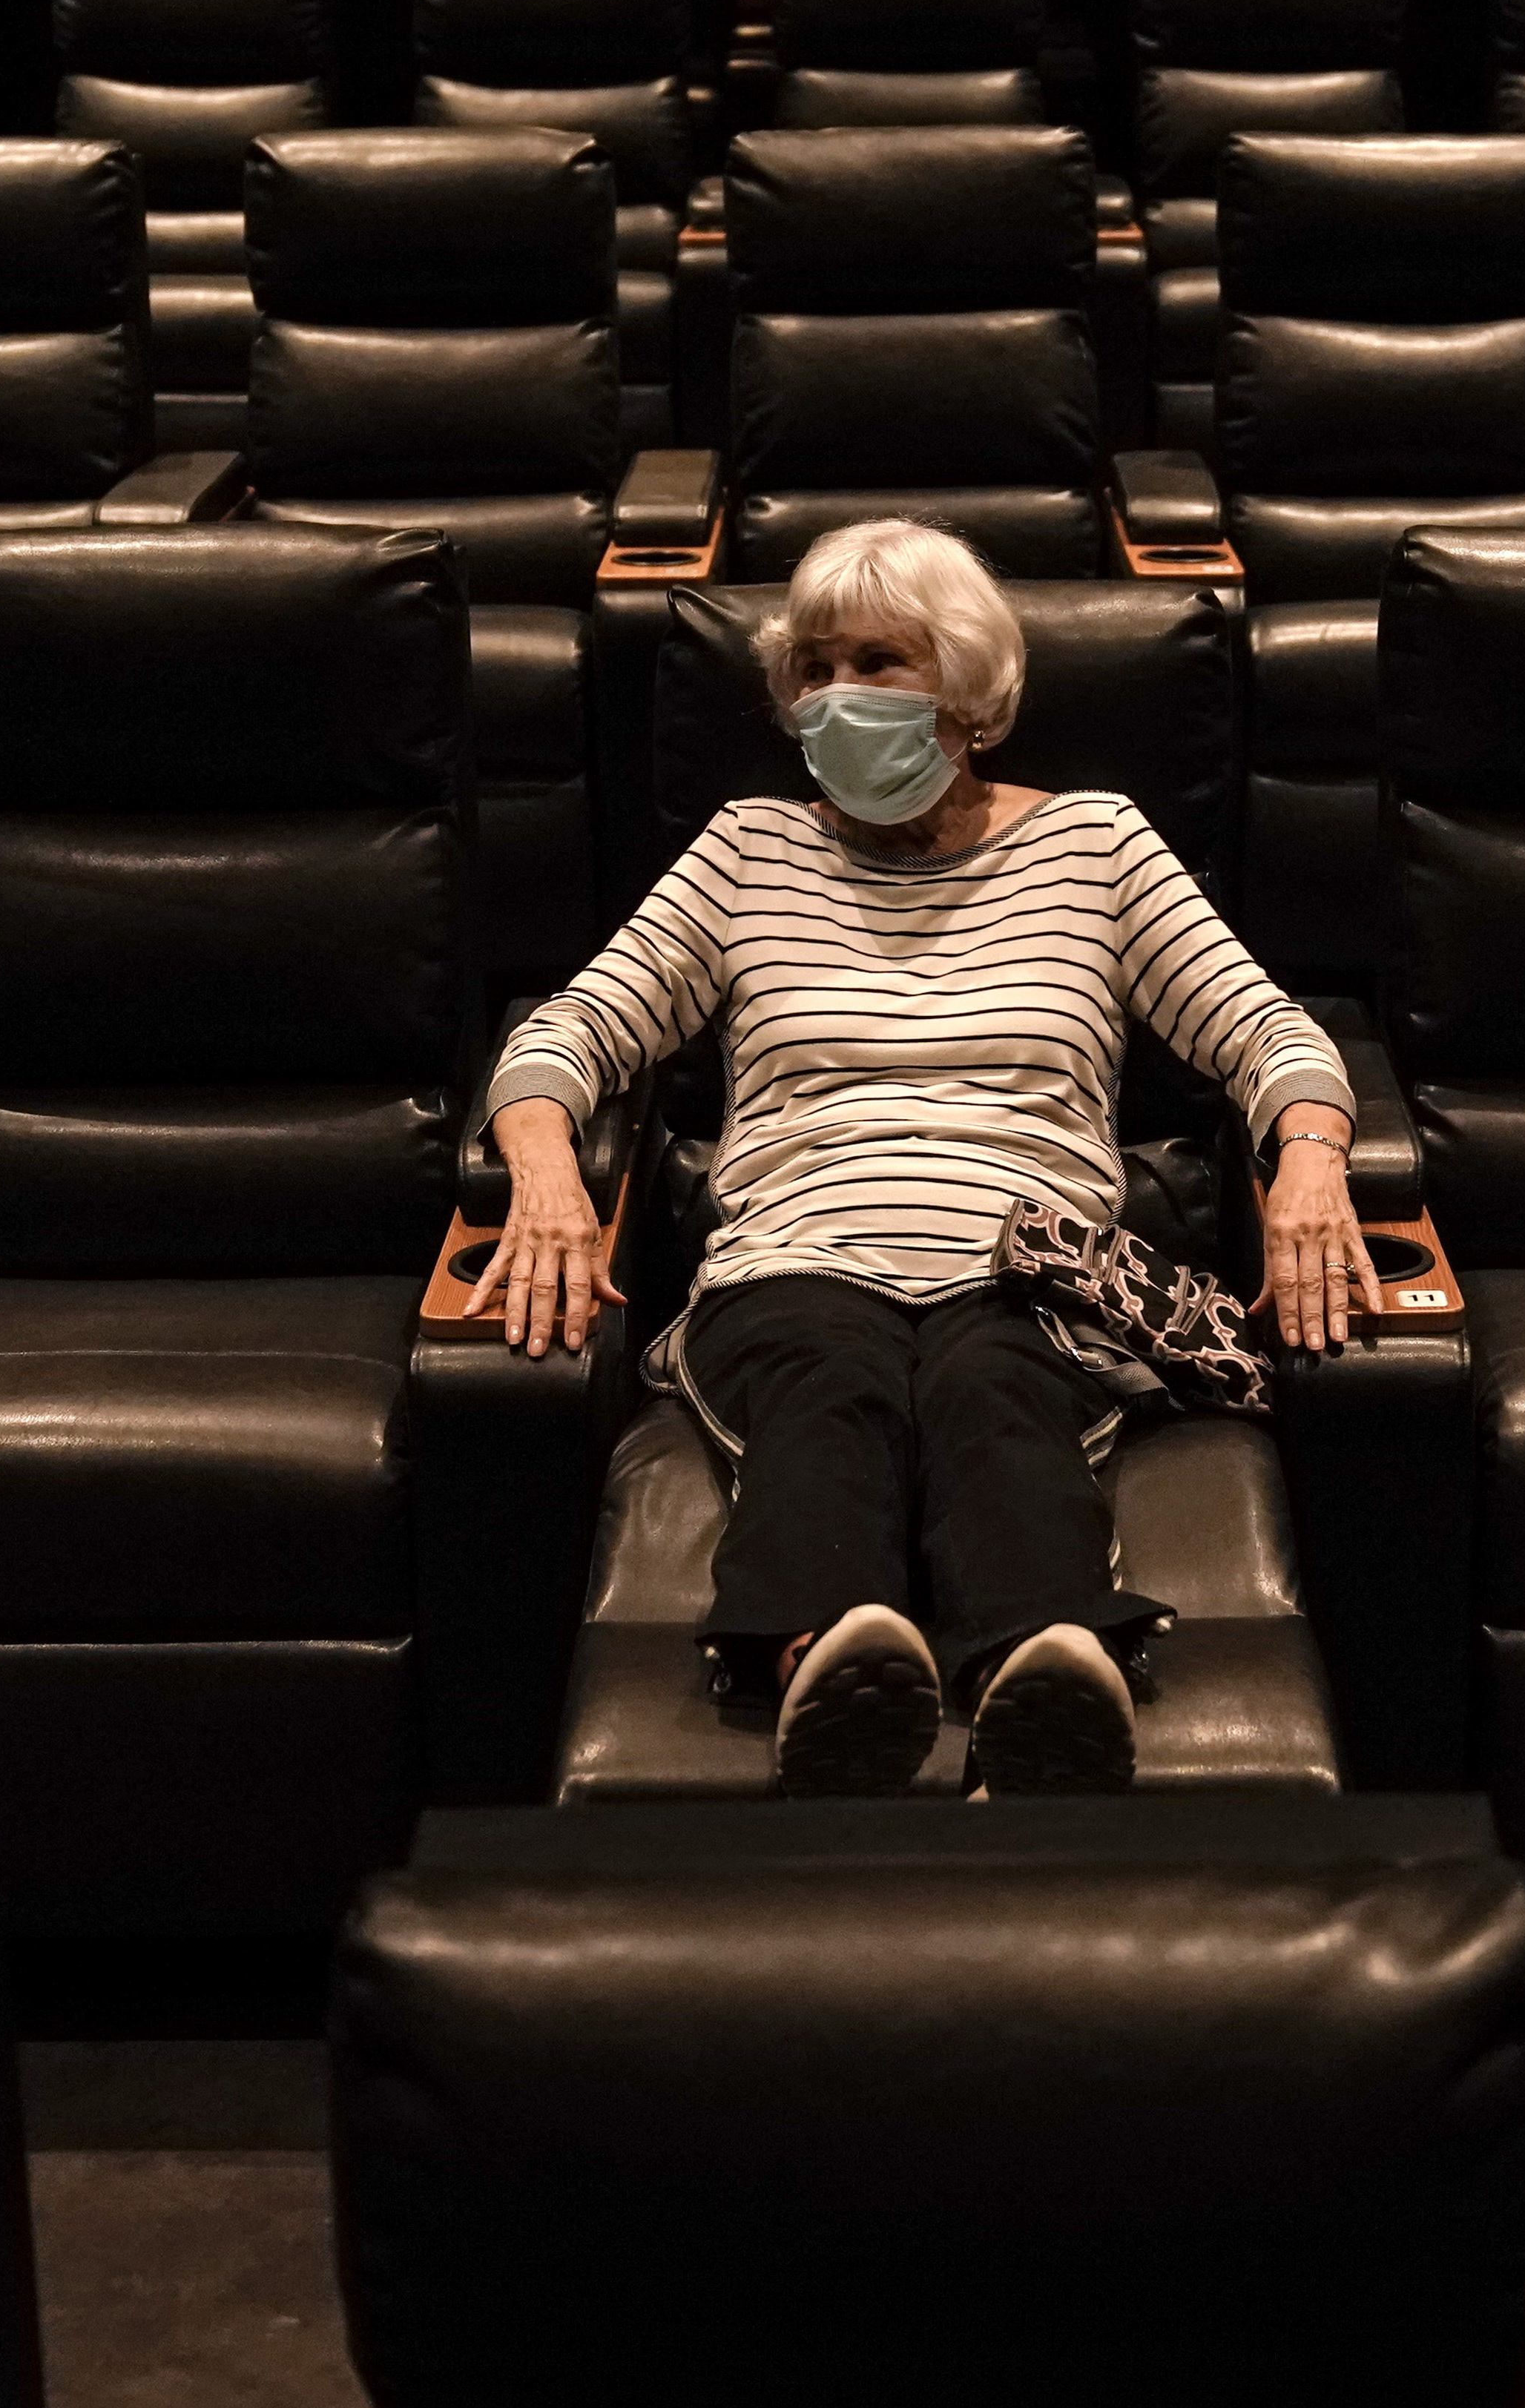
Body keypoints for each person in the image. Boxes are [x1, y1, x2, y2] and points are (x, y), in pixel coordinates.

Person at [467, 518, 1374, 1797]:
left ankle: (1051, 1674)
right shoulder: (745, 850)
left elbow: (1272, 1038)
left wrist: (1311, 1166)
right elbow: (566, 1033)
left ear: (969, 697)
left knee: (989, 1388)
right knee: (830, 1376)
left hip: (1023, 1266)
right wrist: (549, 1173)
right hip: (794, 1254)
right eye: (816, 667)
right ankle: (821, 1671)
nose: (839, 697)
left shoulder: (1098, 847)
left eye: (881, 664)